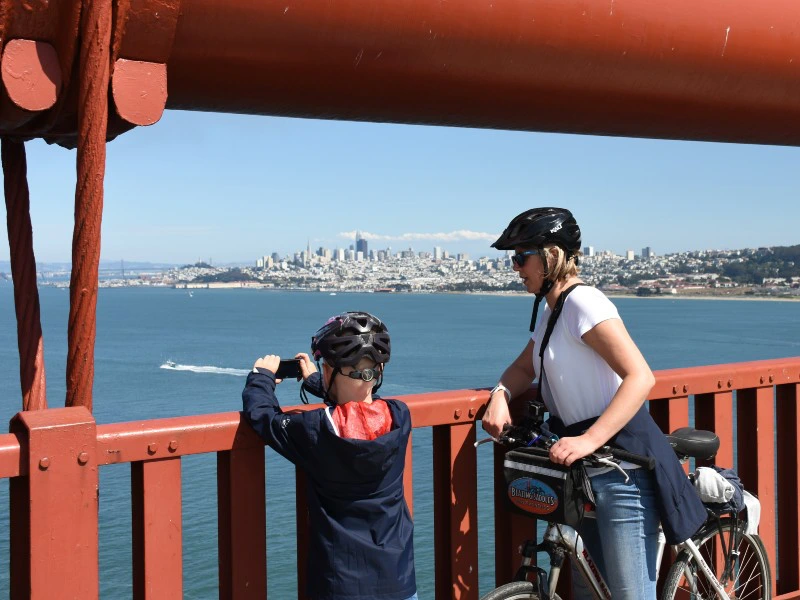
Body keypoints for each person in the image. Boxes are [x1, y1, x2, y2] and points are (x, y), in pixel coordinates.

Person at [482, 208, 706, 600]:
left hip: (621, 470)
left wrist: (588, 439)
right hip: (583, 469)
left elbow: (641, 376)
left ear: (551, 255)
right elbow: (522, 368)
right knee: (590, 589)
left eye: (521, 257)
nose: (516, 268)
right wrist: (499, 395)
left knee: (629, 594)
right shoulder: (552, 310)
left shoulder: (585, 303)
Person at [242, 311, 417, 600]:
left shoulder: (317, 429)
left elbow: (263, 417)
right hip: (398, 581)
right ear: (379, 371)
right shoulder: (400, 416)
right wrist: (315, 379)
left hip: (340, 586)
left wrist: (261, 378)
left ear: (328, 371)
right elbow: (359, 403)